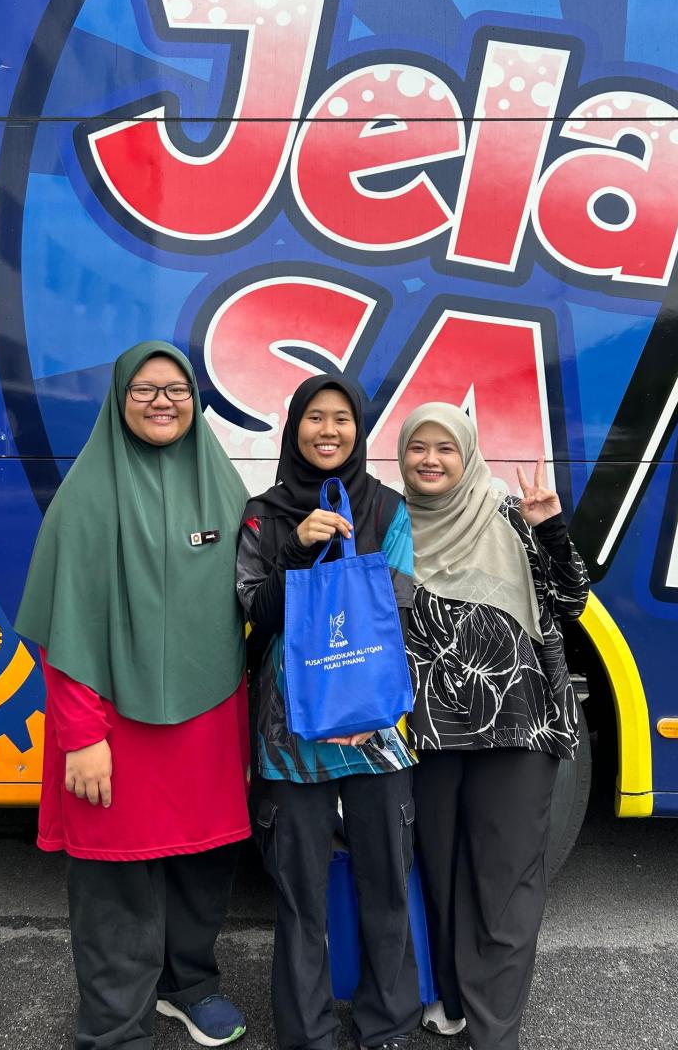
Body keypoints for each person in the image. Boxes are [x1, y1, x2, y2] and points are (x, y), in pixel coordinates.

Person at [15, 341, 251, 1050]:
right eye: (144, 389)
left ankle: (189, 986)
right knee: (116, 882)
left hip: (209, 723)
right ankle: (115, 1028)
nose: (162, 402)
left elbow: (261, 596)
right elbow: (64, 629)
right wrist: (82, 736)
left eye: (176, 389)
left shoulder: (225, 488)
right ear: (120, 399)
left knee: (204, 863)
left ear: (195, 401)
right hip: (112, 731)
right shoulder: (85, 498)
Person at [236, 375, 421, 1050]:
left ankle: (388, 1024)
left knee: (386, 885)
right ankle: (307, 1033)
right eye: (315, 417)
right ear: (294, 429)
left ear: (358, 429)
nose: (328, 431)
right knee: (299, 896)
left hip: (376, 732)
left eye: (342, 418)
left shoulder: (387, 507)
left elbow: (400, 607)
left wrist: (344, 564)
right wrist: (297, 551)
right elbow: (254, 614)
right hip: (290, 734)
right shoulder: (263, 515)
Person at [397, 404, 589, 1050]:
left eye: (445, 448)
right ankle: (452, 1000)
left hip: (518, 728)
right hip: (426, 736)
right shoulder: (391, 525)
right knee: (440, 872)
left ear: (467, 454)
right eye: (418, 447)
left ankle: (495, 1029)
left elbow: (572, 601)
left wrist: (551, 528)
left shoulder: (508, 514)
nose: (430, 459)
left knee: (505, 880)